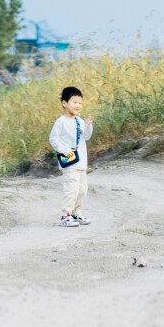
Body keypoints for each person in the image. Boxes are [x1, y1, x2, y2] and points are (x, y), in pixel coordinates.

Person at [49, 85, 93, 226]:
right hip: (69, 162)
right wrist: (64, 149)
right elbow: (53, 139)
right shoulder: (60, 122)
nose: (78, 105)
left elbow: (86, 137)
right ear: (64, 103)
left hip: (81, 162)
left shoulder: (80, 121)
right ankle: (65, 216)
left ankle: (76, 213)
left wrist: (88, 126)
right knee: (71, 189)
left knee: (82, 190)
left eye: (80, 103)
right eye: (74, 102)